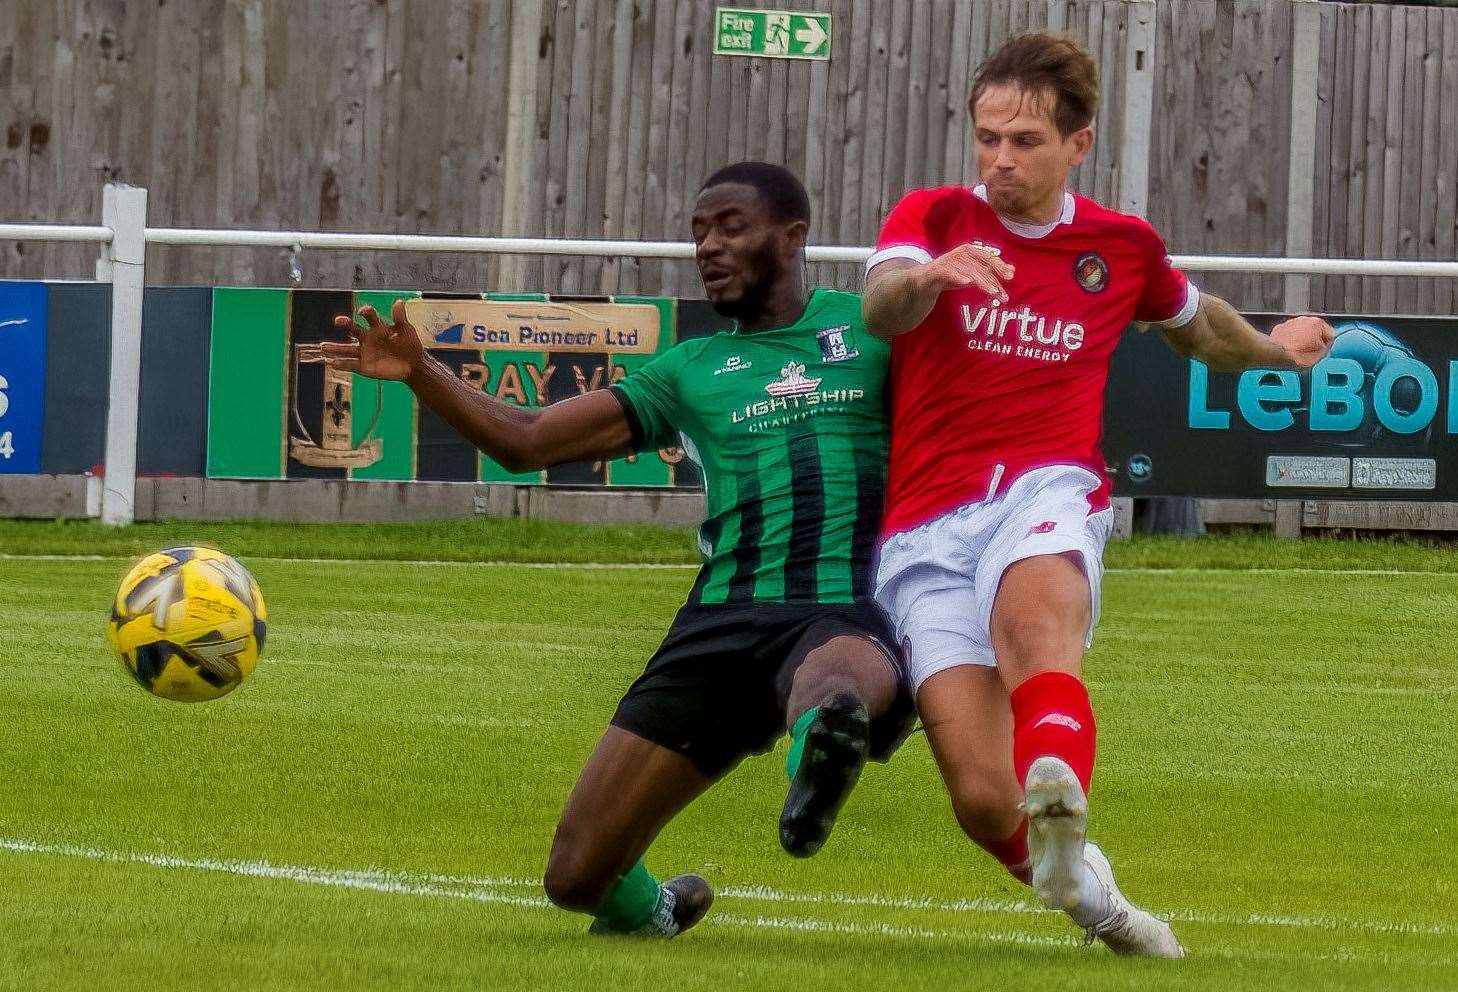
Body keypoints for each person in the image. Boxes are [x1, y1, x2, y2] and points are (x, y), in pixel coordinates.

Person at [322, 161, 913, 938]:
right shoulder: (689, 370)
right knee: (576, 877)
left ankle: (821, 753)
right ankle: (657, 911)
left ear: (792, 236)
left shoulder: (875, 331)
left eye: (731, 226)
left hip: (842, 601)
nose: (708, 245)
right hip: (721, 620)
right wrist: (420, 372)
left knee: (835, 686)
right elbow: (527, 442)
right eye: (699, 231)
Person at [861, 34, 1334, 957]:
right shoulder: (934, 215)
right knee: (981, 797)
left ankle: (1064, 800)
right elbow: (881, 305)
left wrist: (1276, 350)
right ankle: (1095, 898)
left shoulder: (1121, 247)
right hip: (923, 523)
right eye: (988, 137)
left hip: (1046, 484)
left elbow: (1202, 334)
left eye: (1026, 140)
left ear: (1078, 144)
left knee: (1034, 628)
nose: (1001, 158)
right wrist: (927, 277)